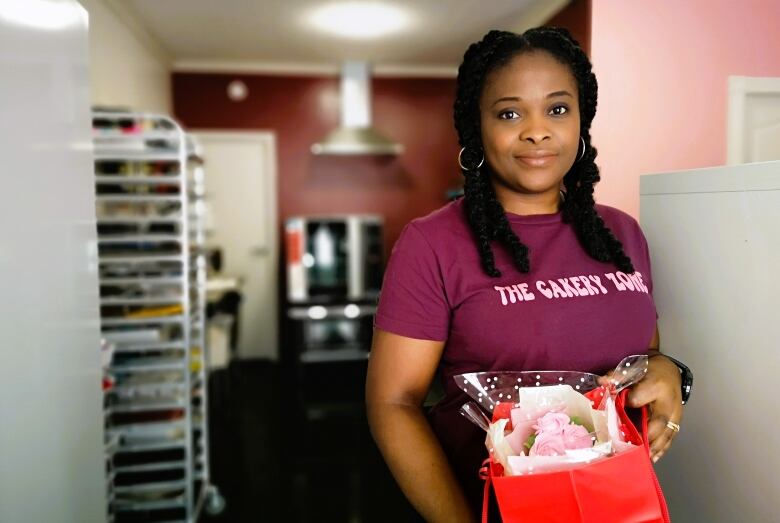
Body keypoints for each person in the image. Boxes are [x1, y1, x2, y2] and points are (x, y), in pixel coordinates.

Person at [365, 27, 688, 522]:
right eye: (510, 113)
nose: (537, 131)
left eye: (557, 109)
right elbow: (393, 402)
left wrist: (667, 369)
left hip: (619, 508)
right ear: (478, 126)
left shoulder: (621, 232)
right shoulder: (433, 244)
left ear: (582, 120)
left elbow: (642, 353)